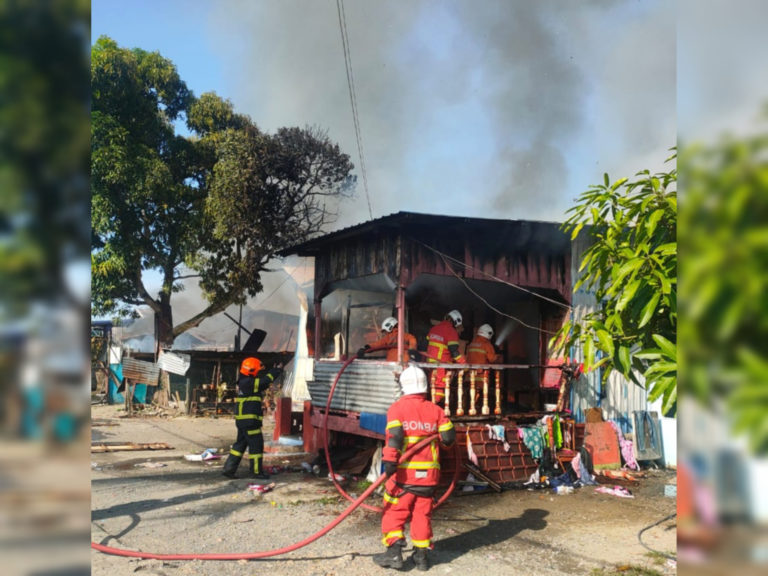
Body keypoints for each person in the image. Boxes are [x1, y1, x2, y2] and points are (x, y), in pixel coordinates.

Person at [373, 365, 456, 571]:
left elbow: (395, 437)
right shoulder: (436, 410)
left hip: (404, 476)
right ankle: (421, 558)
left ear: (404, 386)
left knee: (394, 511)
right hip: (429, 478)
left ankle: (394, 554)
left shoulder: (397, 408)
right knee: (422, 516)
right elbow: (448, 438)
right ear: (425, 386)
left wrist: (389, 461)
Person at [221, 357, 282, 480]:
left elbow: (263, 382)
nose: (258, 372)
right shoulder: (248, 383)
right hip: (250, 422)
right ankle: (256, 472)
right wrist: (276, 371)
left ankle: (229, 469)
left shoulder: (244, 381)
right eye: (257, 370)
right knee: (256, 445)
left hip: (243, 421)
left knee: (240, 445)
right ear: (251, 370)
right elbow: (265, 382)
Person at [424, 309, 466, 405]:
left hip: (430, 366)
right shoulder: (451, 331)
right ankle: (435, 410)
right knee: (439, 392)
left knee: (432, 388)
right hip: (441, 366)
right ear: (456, 321)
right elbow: (454, 351)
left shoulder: (434, 329)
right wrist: (463, 363)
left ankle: (432, 408)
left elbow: (426, 345)